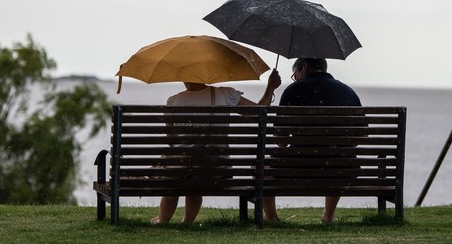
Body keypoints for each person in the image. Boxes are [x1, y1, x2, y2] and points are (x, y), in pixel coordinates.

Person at [151, 68, 281, 225]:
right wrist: (270, 87)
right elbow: (259, 112)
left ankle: (163, 220)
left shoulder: (173, 101)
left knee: (178, 172)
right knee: (196, 172)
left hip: (182, 170)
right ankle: (187, 221)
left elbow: (171, 141)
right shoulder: (226, 94)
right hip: (216, 169)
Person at [262, 57, 362, 223]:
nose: (295, 79)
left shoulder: (293, 91)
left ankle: (271, 216)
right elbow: (362, 135)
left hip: (296, 165)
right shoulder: (347, 91)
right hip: (340, 166)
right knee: (340, 158)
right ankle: (328, 216)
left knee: (262, 165)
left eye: (295, 75)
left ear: (304, 67)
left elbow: (281, 140)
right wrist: (339, 146)